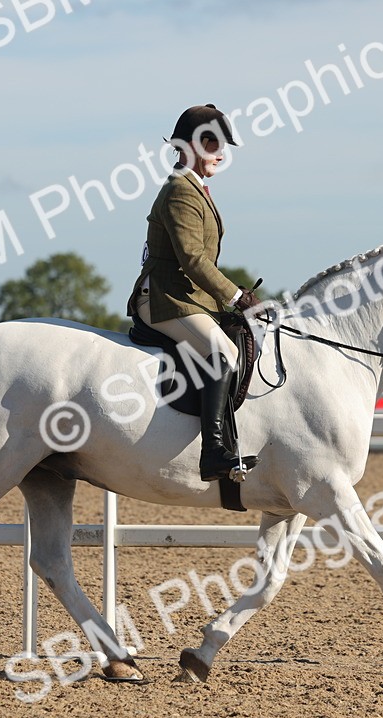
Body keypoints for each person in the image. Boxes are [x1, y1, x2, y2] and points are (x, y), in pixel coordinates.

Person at [127, 104, 260, 482]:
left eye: (222, 145)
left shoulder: (195, 188)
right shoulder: (180, 191)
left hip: (186, 297)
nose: (220, 152)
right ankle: (213, 451)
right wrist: (237, 297)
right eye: (212, 143)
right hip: (163, 298)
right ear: (187, 146)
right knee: (223, 351)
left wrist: (228, 302)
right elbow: (193, 260)